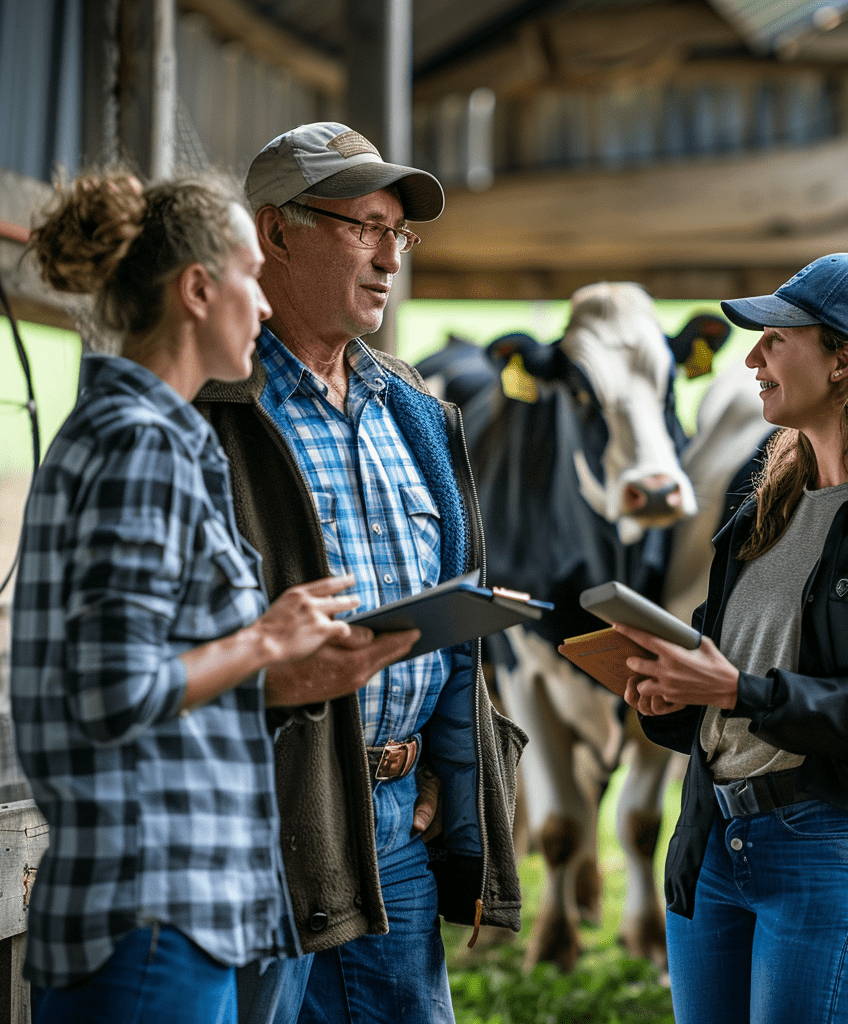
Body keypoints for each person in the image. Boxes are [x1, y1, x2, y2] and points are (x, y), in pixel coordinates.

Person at [11, 170, 418, 1024]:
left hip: (168, 911)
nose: (264, 307)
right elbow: (116, 689)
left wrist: (289, 683)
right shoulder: (140, 446)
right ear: (198, 289)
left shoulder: (141, 436)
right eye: (246, 276)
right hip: (152, 911)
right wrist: (266, 640)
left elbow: (162, 677)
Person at [192, 122, 523, 1024]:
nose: (389, 258)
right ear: (276, 232)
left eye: (399, 234)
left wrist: (441, 778)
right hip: (259, 828)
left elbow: (454, 633)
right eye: (363, 226)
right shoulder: (205, 413)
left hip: (396, 823)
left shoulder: (415, 412)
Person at [613, 253, 848, 1024]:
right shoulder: (770, 496)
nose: (751, 357)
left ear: (843, 359)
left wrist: (737, 691)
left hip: (824, 847)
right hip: (710, 840)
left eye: (775, 337)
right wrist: (668, 696)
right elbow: (725, 682)